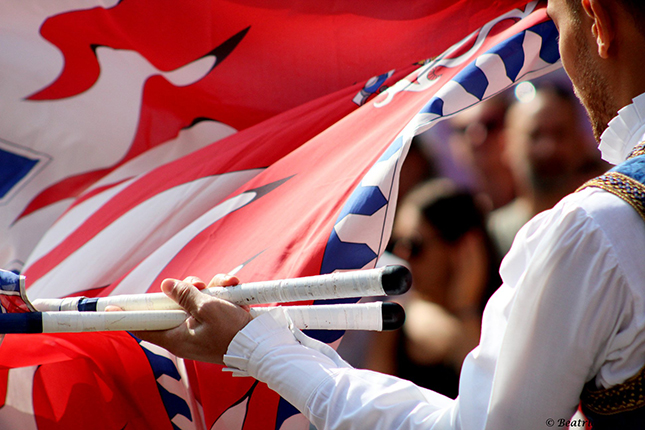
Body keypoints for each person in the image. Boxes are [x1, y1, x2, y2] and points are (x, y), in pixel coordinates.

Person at [133, 0, 645, 428]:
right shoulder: (597, 227)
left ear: (597, 21)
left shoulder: (593, 229)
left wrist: (259, 349)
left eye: (556, 22)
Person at [362, 179, 501, 399]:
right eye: (396, 244)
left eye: (414, 246)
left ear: (462, 248)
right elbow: (374, 399)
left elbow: (486, 397)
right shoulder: (397, 310)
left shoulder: (503, 311)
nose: (401, 258)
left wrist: (465, 306)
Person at [488, 81, 609, 256]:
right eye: (535, 135)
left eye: (559, 134)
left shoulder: (608, 221)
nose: (548, 148)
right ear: (506, 145)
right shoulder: (490, 241)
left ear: (581, 142)